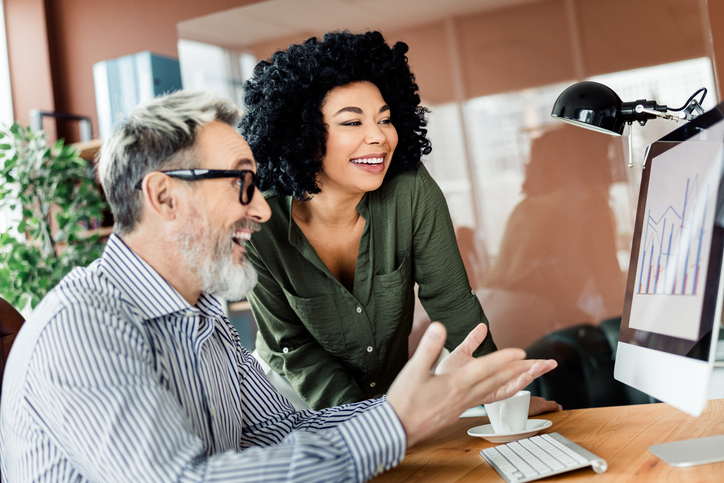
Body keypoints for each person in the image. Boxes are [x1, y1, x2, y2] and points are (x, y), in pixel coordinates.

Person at [0, 90, 557, 482]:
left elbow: (286, 430)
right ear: (164, 197)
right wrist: (395, 423)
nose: (264, 209)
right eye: (243, 183)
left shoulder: (204, 320)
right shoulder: (83, 329)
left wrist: (430, 396)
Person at [240, 30, 547, 411]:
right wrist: (371, 426)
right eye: (352, 123)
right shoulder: (259, 224)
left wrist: (505, 398)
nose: (379, 137)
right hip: (290, 408)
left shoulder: (411, 190)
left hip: (386, 400)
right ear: (301, 135)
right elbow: (297, 351)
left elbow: (453, 304)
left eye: (385, 120)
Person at [481, 125, 626, 349]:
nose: (610, 162)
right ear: (586, 158)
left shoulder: (526, 207)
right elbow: (609, 282)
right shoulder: (589, 204)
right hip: (524, 321)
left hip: (487, 310)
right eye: (603, 154)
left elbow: (544, 280)